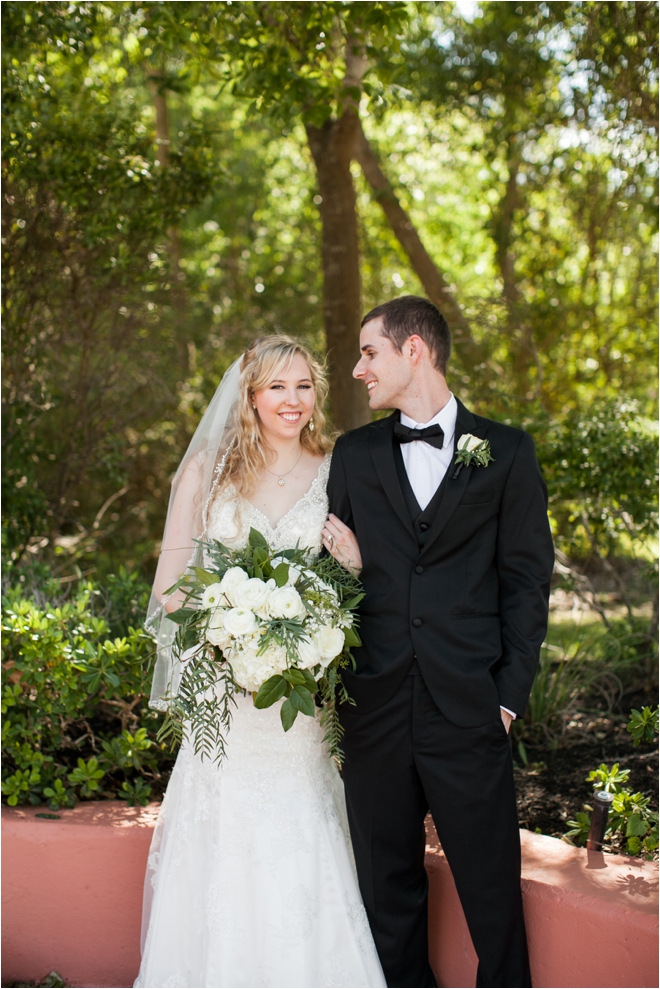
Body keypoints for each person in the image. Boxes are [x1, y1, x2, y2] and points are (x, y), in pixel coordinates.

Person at [135, 335, 385, 989]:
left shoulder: (338, 469)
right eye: (277, 386)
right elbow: (169, 589)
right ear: (249, 396)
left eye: (304, 386)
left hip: (298, 707)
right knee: (223, 847)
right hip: (226, 701)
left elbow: (359, 586)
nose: (292, 400)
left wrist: (355, 569)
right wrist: (223, 634)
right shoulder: (207, 474)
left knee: (304, 831)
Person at [323, 296, 555, 988]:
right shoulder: (354, 454)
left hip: (469, 709)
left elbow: (526, 583)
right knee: (387, 896)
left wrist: (507, 699)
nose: (359, 368)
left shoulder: (507, 451)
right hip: (377, 710)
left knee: (492, 893)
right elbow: (322, 588)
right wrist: (354, 574)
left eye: (370, 352)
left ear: (414, 349)